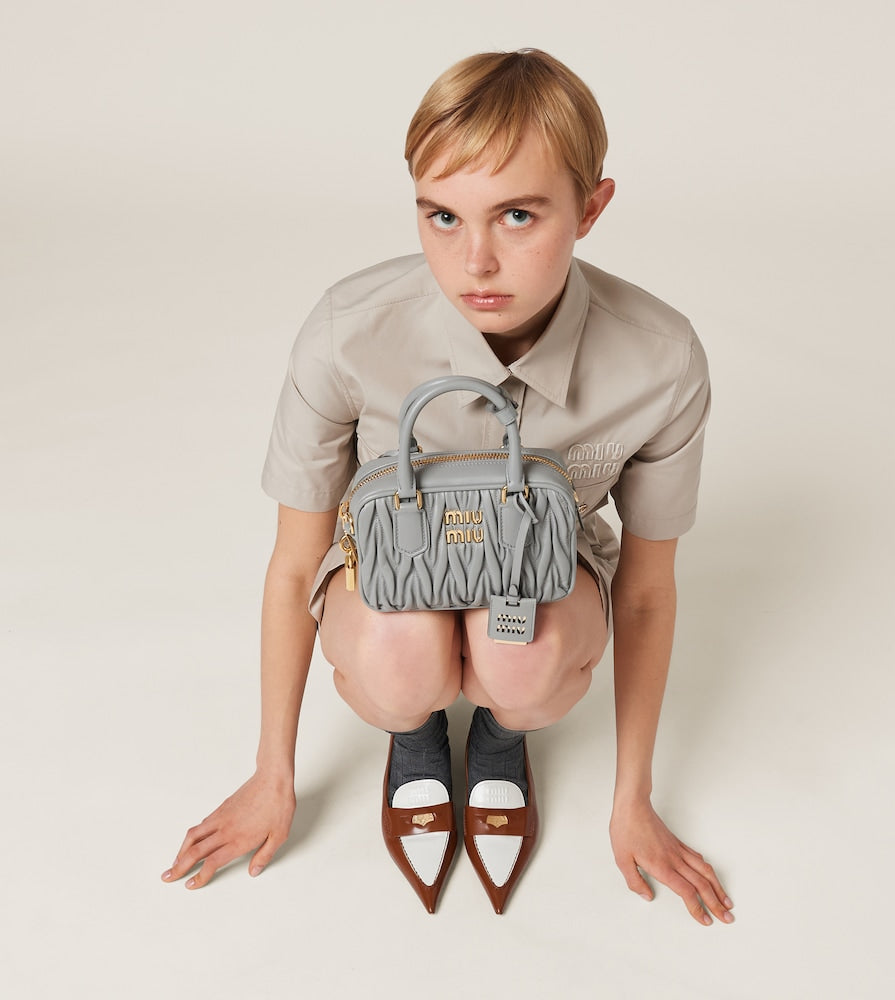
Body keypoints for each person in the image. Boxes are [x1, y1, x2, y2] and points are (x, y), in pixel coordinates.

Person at [162, 48, 734, 924]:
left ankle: (502, 739)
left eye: (517, 215)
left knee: (524, 654)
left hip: (546, 574)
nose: (476, 262)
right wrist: (272, 774)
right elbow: (295, 563)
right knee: (399, 652)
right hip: (386, 568)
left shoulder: (660, 359)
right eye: (442, 216)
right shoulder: (348, 332)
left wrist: (634, 800)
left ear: (590, 208)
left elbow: (649, 591)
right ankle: (416, 735)